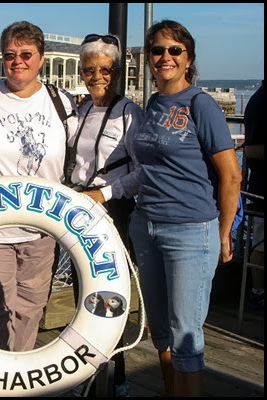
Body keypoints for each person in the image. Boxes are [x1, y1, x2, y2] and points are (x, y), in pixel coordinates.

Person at [128, 20, 242, 396]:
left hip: (191, 231)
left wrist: (224, 232)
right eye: (157, 50)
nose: (165, 57)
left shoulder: (201, 104)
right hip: (147, 225)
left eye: (174, 50)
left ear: (188, 58)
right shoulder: (155, 103)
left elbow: (231, 176)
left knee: (186, 335)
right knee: (160, 331)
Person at [0, 20, 78, 352]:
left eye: (26, 54)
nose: (18, 61)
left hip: (42, 232)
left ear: (41, 58)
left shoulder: (61, 101)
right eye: (10, 54)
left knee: (29, 312)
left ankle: (18, 379)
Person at [67, 33, 144, 397]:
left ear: (117, 72)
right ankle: (88, 370)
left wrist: (106, 192)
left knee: (108, 296)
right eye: (89, 69)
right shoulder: (81, 111)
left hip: (113, 210)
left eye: (104, 69)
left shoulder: (130, 114)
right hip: (80, 208)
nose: (96, 76)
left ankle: (117, 376)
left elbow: (143, 171)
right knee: (83, 294)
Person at [243, 80, 265, 310]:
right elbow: (251, 148)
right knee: (260, 242)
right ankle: (257, 292)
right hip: (261, 190)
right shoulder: (260, 101)